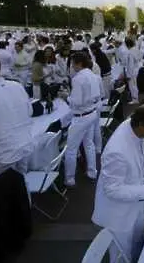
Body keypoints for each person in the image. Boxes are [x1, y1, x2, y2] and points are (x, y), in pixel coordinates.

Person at [91, 103, 144, 263]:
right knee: (121, 257)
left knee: (136, 250)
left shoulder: (135, 130)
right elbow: (112, 190)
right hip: (119, 216)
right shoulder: (116, 151)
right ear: (141, 125)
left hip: (136, 207)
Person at [62, 51, 100, 187]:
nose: (71, 66)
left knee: (71, 149)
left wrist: (66, 96)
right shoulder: (93, 75)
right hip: (91, 113)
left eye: (72, 64)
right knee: (89, 144)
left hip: (81, 117)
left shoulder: (78, 78)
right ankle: (92, 171)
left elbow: (76, 101)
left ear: (78, 64)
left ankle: (70, 179)